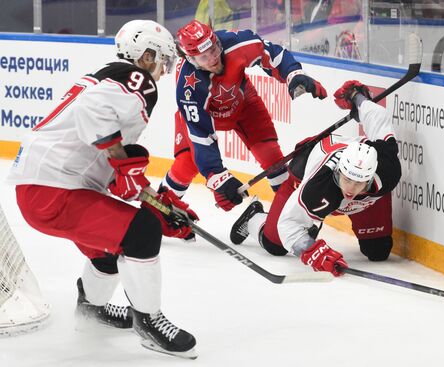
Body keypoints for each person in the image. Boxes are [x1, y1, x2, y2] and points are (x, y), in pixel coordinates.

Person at [6, 20, 198, 359]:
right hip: (54, 188)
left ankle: (91, 311)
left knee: (110, 246)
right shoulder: (135, 79)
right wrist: (128, 173)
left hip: (45, 186)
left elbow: (104, 155)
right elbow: (94, 114)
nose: (164, 72)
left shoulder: (108, 76)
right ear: (146, 55)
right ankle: (149, 321)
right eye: (163, 62)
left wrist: (157, 199)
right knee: (142, 232)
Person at [229, 80, 401, 276]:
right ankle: (256, 217)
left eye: (359, 182)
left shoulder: (388, 169)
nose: (351, 188)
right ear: (338, 171)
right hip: (303, 177)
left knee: (378, 250)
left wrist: (357, 97)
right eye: (347, 179)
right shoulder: (318, 184)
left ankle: (317, 223)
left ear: (370, 178)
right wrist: (311, 250)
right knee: (275, 244)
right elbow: (289, 224)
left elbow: (378, 118)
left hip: (361, 198)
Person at [159, 19, 327, 214]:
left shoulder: (234, 42)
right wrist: (218, 178)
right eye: (204, 58)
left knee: (271, 155)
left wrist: (293, 74)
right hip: (203, 117)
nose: (213, 58)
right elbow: (201, 135)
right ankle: (160, 209)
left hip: (243, 102)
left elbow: (270, 53)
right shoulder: (188, 86)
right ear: (191, 60)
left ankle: (291, 212)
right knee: (187, 162)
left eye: (214, 49)